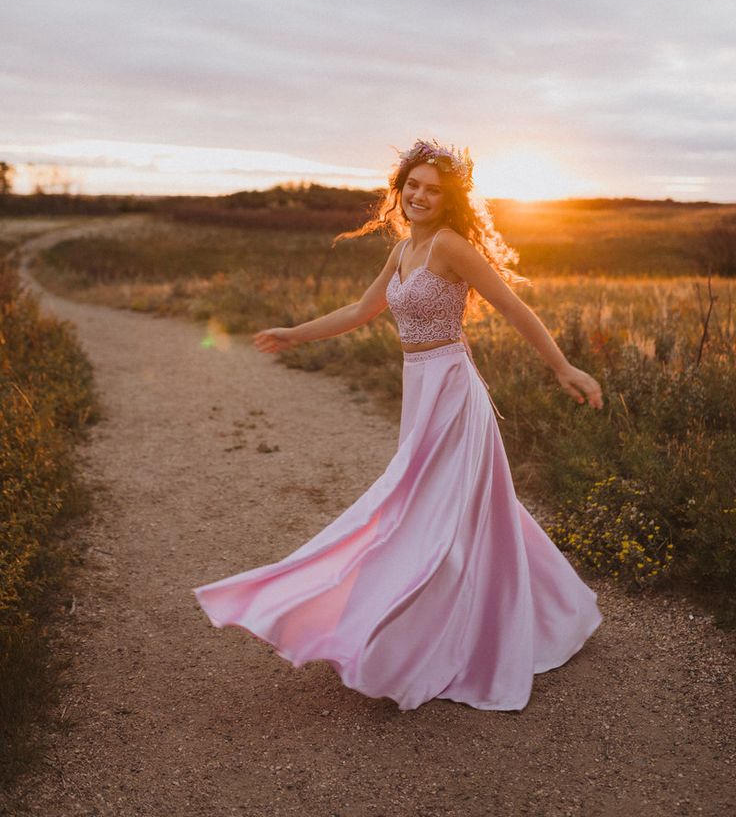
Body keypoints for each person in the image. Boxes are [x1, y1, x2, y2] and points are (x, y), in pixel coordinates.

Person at [194, 139, 604, 712]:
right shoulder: (403, 249)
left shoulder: (450, 246)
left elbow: (513, 307)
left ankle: (440, 639)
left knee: (428, 513)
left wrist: (564, 368)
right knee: (455, 510)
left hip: (454, 391)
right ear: (399, 187)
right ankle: (545, 608)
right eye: (412, 185)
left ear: (449, 200)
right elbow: (361, 312)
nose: (419, 196)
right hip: (420, 388)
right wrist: (293, 332)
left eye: (433, 190)